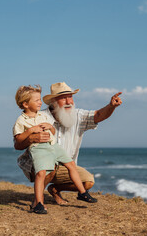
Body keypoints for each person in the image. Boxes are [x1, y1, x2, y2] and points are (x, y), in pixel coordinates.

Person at [15, 82, 122, 206]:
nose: (68, 101)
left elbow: (98, 115)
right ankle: (37, 202)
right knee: (50, 168)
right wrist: (31, 138)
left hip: (66, 165)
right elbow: (17, 145)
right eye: (63, 98)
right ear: (53, 101)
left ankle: (54, 190)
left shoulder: (78, 115)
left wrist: (111, 106)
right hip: (37, 164)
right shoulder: (39, 116)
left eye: (70, 97)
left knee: (88, 182)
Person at [13, 85, 97, 214]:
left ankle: (83, 193)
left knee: (71, 164)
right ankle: (38, 203)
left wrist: (49, 127)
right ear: (25, 104)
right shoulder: (21, 121)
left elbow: (52, 130)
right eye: (37, 100)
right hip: (39, 149)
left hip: (53, 146)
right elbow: (18, 140)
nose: (40, 102)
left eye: (40, 99)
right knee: (42, 173)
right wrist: (30, 131)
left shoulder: (43, 115)